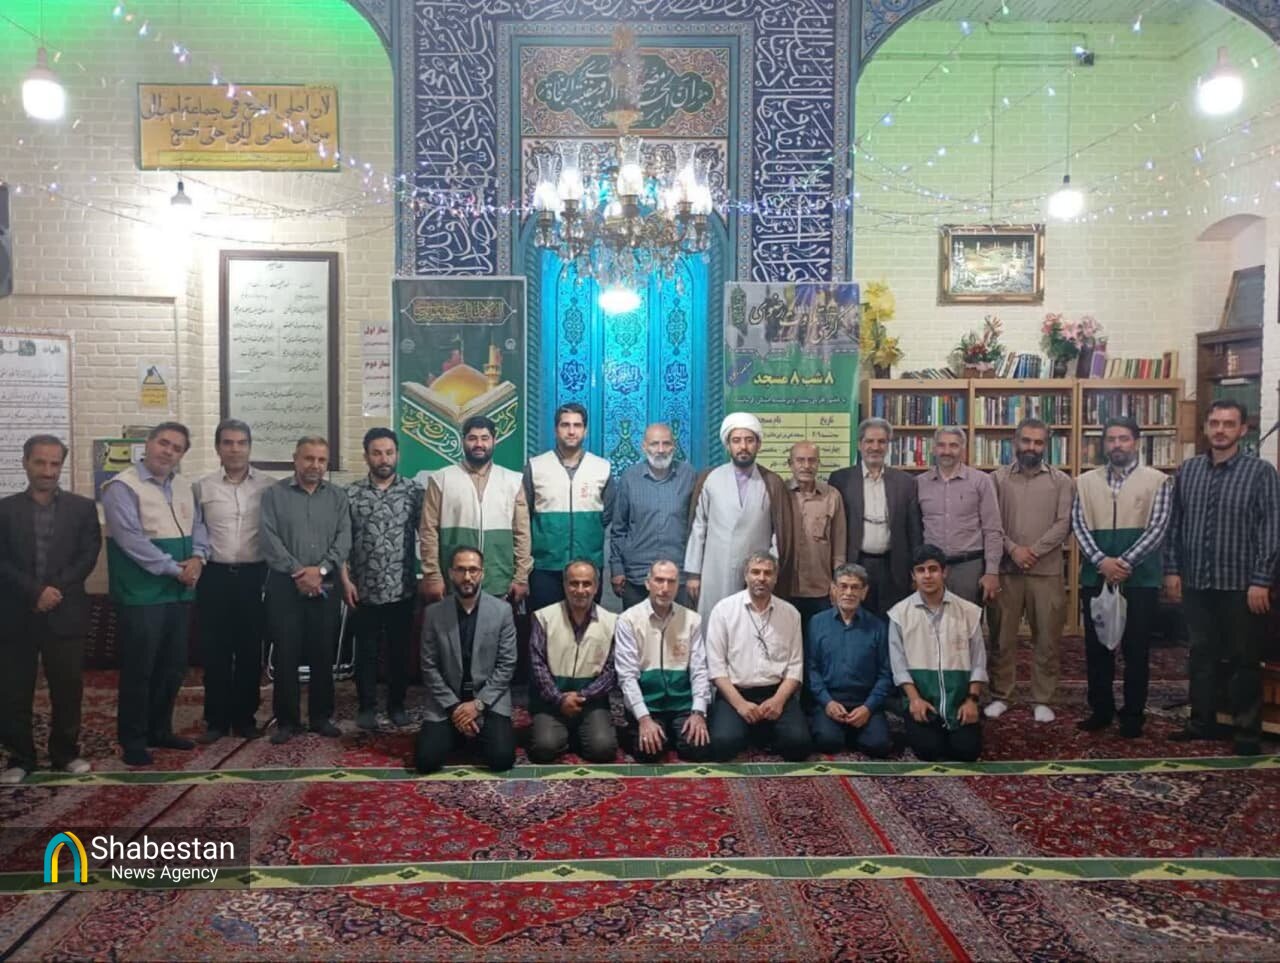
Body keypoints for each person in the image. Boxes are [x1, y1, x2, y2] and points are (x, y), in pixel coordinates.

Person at [1165, 401, 1280, 756]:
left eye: (1229, 424)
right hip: (1196, 581)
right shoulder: (1188, 471)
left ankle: (1246, 732)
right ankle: (1202, 723)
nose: (1220, 430)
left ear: (1242, 430)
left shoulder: (1261, 473)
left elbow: (1271, 530)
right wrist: (1172, 570)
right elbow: (1175, 524)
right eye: (1214, 423)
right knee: (1200, 655)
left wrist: (1262, 580)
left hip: (1241, 586)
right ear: (1205, 427)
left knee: (1245, 659)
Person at [101, 422, 209, 766]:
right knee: (140, 668)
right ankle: (133, 739)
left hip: (178, 593)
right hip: (141, 593)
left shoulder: (184, 486)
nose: (168, 452)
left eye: (177, 448)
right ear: (148, 444)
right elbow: (130, 540)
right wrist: (176, 569)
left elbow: (199, 526)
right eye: (164, 443)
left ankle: (159, 730)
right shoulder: (121, 486)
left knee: (173, 667)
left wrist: (198, 558)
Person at [0, 435, 101, 783]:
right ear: (25, 463)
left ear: (62, 465)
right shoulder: (4, 510)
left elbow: (87, 556)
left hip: (65, 611)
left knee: (68, 688)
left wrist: (53, 590)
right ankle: (20, 758)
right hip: (16, 614)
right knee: (13, 690)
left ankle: (65, 753)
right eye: (40, 462)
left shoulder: (82, 508)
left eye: (54, 463)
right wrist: (35, 592)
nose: (47, 470)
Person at [1071, 417, 1172, 739]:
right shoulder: (1084, 482)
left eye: (1124, 438)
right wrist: (1101, 562)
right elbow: (1078, 525)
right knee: (1097, 648)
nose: (1117, 445)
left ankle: (1132, 715)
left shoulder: (1158, 481)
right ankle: (1101, 710)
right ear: (1104, 444)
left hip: (1140, 580)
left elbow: (1158, 528)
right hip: (1096, 577)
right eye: (1111, 439)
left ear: (1136, 442)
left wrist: (1124, 563)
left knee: (1136, 650)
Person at [259, 436, 351, 745]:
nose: (315, 465)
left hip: (325, 584)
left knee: (323, 653)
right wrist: (299, 572)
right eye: (309, 458)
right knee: (286, 653)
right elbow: (268, 539)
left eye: (321, 460)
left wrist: (320, 570)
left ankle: (321, 717)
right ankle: (287, 721)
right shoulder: (274, 495)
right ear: (295, 459)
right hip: (285, 585)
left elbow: (344, 539)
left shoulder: (338, 497)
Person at [986, 419, 1075, 724]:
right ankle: (1002, 695)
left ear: (1046, 445)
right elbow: (991, 522)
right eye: (1026, 441)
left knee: (1047, 639)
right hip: (1006, 571)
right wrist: (1013, 550)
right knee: (1001, 638)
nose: (1031, 448)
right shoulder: (996, 479)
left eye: (1038, 442)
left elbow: (1064, 524)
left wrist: (1033, 551)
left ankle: (1043, 699)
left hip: (1046, 572)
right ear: (1015, 442)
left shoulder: (1062, 481)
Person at [193, 419, 275, 743]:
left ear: (250, 447)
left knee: (249, 651)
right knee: (215, 651)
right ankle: (215, 720)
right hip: (214, 576)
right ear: (218, 448)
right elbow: (196, 531)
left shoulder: (269, 487)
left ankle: (245, 718)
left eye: (241, 442)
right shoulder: (202, 487)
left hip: (254, 577)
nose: (235, 449)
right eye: (228, 443)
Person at [342, 428, 424, 732]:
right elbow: (341, 542)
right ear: (366, 456)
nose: (384, 459)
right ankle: (366, 707)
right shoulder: (350, 494)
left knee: (399, 652)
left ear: (397, 454)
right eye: (377, 453)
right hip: (363, 589)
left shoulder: (414, 492)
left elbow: (427, 535)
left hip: (403, 587)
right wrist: (345, 581)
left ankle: (397, 705)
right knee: (366, 652)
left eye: (389, 452)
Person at [685, 412, 796, 624]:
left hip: (757, 574)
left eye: (749, 440)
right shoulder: (710, 478)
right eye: (736, 440)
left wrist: (770, 568)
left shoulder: (771, 482)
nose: (743, 446)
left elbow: (779, 533)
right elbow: (699, 527)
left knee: (753, 625)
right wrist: (693, 574)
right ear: (728, 445)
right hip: (715, 570)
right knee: (715, 624)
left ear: (758, 444)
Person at [415, 546, 517, 773]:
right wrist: (455, 708)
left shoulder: (502, 611)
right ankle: (461, 731)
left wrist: (478, 705)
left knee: (502, 760)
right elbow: (429, 667)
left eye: (473, 570)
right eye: (461, 570)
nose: (467, 577)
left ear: (482, 573)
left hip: (489, 699)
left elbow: (507, 665)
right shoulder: (434, 614)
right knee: (426, 762)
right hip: (448, 701)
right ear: (451, 573)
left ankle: (469, 732)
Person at [705, 551, 811, 762]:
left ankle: (758, 732)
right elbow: (716, 669)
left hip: (776, 693)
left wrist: (778, 700)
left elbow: (795, 666)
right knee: (722, 745)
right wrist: (740, 705)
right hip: (736, 693)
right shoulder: (723, 610)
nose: (761, 578)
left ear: (775, 578)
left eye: (767, 573)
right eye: (755, 572)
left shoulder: (791, 614)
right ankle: (758, 733)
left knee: (799, 745)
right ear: (746, 576)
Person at [888, 545, 987, 762]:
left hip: (959, 702)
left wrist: (972, 700)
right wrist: (914, 700)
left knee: (967, 752)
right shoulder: (899, 614)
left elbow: (978, 661)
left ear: (944, 572)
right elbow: (899, 666)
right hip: (922, 701)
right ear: (913, 575)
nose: (927, 576)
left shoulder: (968, 612)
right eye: (921, 570)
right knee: (929, 751)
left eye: (933, 569)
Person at [419, 415, 531, 606]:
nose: (479, 444)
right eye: (472, 438)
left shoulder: (512, 481)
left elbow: (522, 534)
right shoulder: (441, 479)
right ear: (463, 441)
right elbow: (428, 531)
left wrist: (521, 577)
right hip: (453, 582)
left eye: (484, 438)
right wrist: (433, 576)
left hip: (499, 580)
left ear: (494, 441)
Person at [614, 559, 711, 762]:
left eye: (671, 581)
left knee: (698, 748)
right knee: (648, 753)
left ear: (678, 585)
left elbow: (699, 670)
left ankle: (671, 733)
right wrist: (644, 719)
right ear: (648, 583)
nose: (665, 588)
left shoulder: (692, 619)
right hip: (648, 705)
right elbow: (627, 677)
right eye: (659, 580)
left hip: (682, 704)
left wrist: (698, 713)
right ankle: (643, 731)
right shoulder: (628, 620)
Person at [828, 417, 923, 615]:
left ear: (888, 445)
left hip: (894, 566)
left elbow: (914, 530)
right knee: (857, 619)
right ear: (859, 444)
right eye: (869, 441)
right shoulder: (840, 479)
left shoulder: (906, 482)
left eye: (881, 442)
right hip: (856, 563)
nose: (875, 447)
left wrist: (916, 569)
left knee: (893, 620)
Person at [524, 404, 613, 612]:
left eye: (577, 425)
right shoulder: (536, 466)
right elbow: (524, 515)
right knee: (544, 626)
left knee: (587, 626)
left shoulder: (602, 468)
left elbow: (607, 515)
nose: (571, 431)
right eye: (565, 425)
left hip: (588, 567)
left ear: (585, 430)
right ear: (556, 429)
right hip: (545, 567)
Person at [528, 560, 618, 763]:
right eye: (574, 583)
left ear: (596, 587)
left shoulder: (611, 621)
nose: (580, 590)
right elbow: (537, 666)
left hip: (592, 701)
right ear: (564, 585)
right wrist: (560, 699)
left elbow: (611, 671)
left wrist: (582, 696)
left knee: (603, 749)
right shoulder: (544, 617)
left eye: (586, 584)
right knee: (544, 748)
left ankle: (577, 733)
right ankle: (569, 733)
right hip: (551, 700)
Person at [807, 564, 893, 758]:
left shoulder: (878, 626)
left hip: (865, 701)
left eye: (855, 587)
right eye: (843, 586)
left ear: (864, 592)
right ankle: (842, 732)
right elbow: (811, 669)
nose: (848, 593)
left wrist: (868, 707)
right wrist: (827, 702)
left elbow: (886, 674)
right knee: (827, 742)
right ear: (833, 589)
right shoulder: (816, 623)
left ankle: (855, 731)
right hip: (830, 700)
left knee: (878, 746)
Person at [609, 423, 697, 610]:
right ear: (644, 447)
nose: (661, 450)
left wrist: (695, 573)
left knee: (679, 628)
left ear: (674, 446)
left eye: (666, 444)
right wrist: (617, 569)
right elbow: (619, 529)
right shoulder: (629, 477)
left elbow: (698, 526)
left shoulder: (688, 475)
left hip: (678, 576)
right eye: (654, 444)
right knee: (636, 627)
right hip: (638, 574)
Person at [916, 426, 1003, 606]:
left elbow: (992, 529)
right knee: (930, 620)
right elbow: (914, 529)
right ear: (934, 449)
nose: (947, 451)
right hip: (930, 568)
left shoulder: (981, 481)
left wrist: (992, 572)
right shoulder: (919, 483)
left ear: (963, 449)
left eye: (953, 445)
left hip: (969, 568)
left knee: (966, 620)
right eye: (941, 445)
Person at [782, 441, 846, 636]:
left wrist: (837, 584)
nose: (806, 466)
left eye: (812, 460)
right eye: (800, 460)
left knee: (820, 643)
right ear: (790, 464)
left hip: (820, 590)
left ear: (818, 463)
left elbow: (839, 547)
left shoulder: (832, 496)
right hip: (785, 588)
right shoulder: (779, 494)